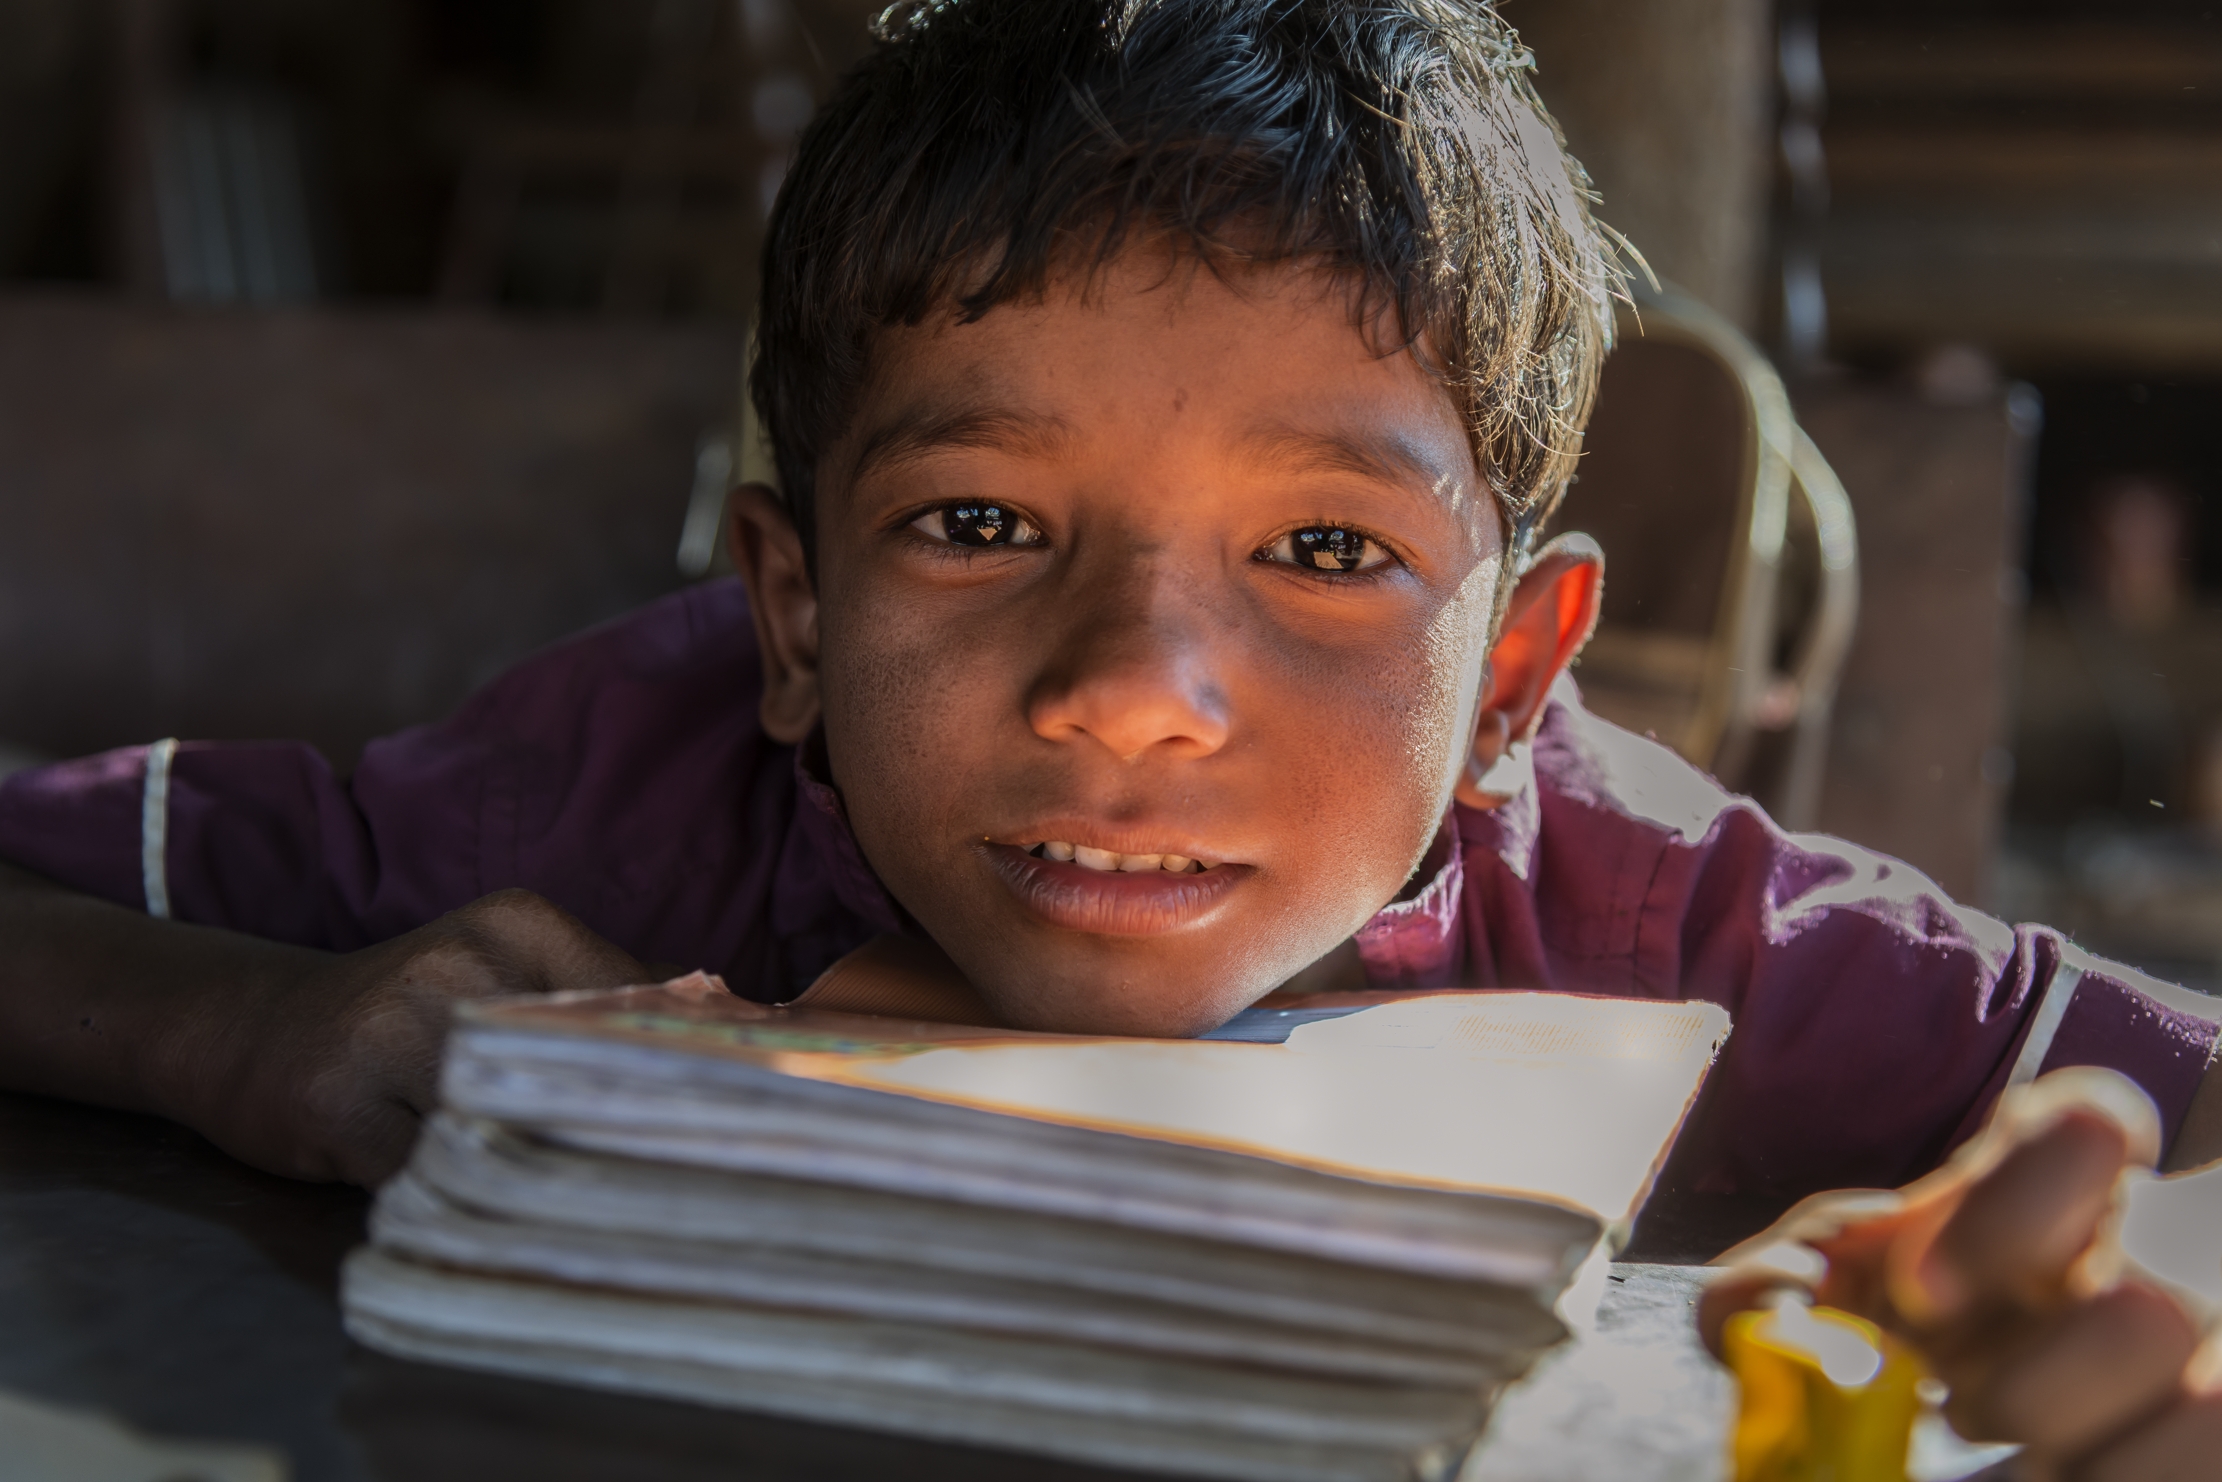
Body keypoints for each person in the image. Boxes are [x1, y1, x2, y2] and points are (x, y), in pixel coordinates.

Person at [0, 0, 2214, 1471]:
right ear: (793, 614)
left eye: (1326, 551)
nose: (1132, 687)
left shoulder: (1668, 924)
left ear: (1513, 683)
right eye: (977, 523)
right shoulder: (606, 795)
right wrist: (229, 1026)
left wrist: (2119, 1308)